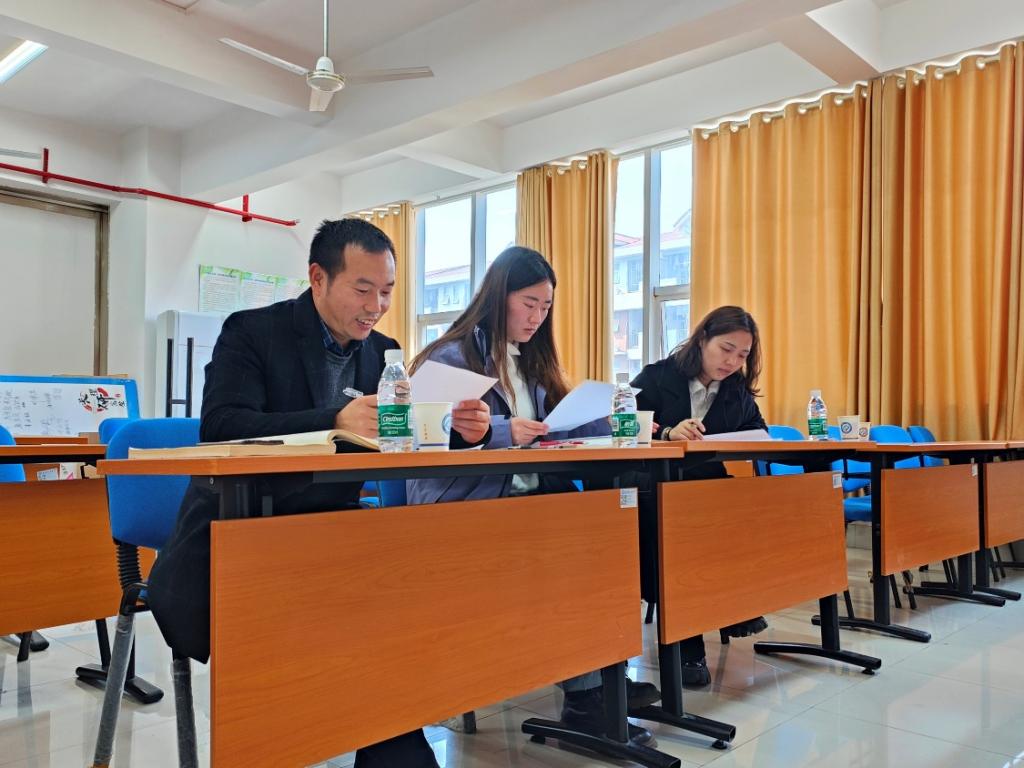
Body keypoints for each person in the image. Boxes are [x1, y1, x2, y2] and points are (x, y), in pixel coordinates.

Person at [147, 218, 491, 768]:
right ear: (317, 278)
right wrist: (332, 418)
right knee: (359, 625)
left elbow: (395, 440)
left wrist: (460, 432)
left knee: (407, 606)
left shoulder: (385, 352)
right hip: (238, 539)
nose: (376, 307)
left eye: (387, 291)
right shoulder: (252, 332)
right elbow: (221, 426)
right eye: (362, 289)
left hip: (332, 538)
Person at [406, 246, 660, 744]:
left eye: (545, 307)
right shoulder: (451, 356)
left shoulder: (531, 361)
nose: (537, 317)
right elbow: (418, 433)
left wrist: (613, 420)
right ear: (499, 296)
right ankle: (588, 697)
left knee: (607, 540)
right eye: (528, 303)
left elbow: (557, 424)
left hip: (532, 504)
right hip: (468, 510)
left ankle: (603, 677)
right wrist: (502, 431)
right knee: (569, 553)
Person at [631, 305, 768, 687]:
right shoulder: (658, 376)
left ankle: (735, 603)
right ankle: (687, 646)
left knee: (750, 510)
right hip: (652, 485)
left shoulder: (735, 389)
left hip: (705, 487)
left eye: (742, 355)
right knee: (681, 531)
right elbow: (623, 422)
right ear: (703, 339)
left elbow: (758, 428)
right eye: (726, 349)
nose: (732, 362)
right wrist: (666, 433)